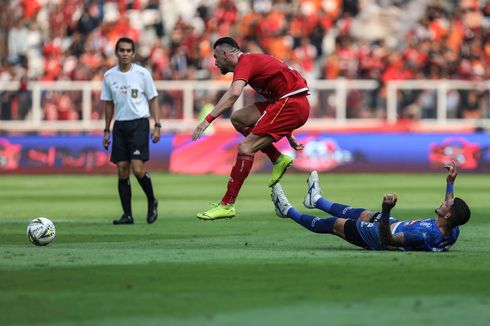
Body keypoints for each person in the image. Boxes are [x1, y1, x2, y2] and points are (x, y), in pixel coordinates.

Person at [192, 36, 310, 220]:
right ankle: (278, 158)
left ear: (225, 54)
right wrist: (288, 132)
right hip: (288, 103)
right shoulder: (253, 61)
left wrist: (207, 120)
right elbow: (284, 88)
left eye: (216, 57)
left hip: (291, 104)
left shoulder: (246, 61)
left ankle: (227, 204)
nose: (215, 62)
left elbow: (233, 94)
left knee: (246, 147)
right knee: (239, 119)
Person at [271, 161, 470, 251]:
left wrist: (385, 211)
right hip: (396, 224)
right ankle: (316, 200)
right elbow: (453, 209)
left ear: (447, 216)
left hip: (378, 237)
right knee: (362, 213)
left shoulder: (424, 234)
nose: (444, 201)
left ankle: (287, 210)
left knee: (335, 224)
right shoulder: (452, 230)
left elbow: (388, 239)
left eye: (447, 204)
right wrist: (450, 182)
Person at [101, 37, 161, 225]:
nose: (125, 54)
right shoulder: (109, 76)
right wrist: (107, 130)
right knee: (122, 170)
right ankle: (127, 215)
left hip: (139, 124)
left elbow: (153, 99)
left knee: (137, 168)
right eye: (122, 50)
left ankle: (152, 201)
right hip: (120, 126)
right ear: (117, 53)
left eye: (128, 51)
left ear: (133, 53)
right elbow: (108, 104)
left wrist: (157, 125)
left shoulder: (142, 74)